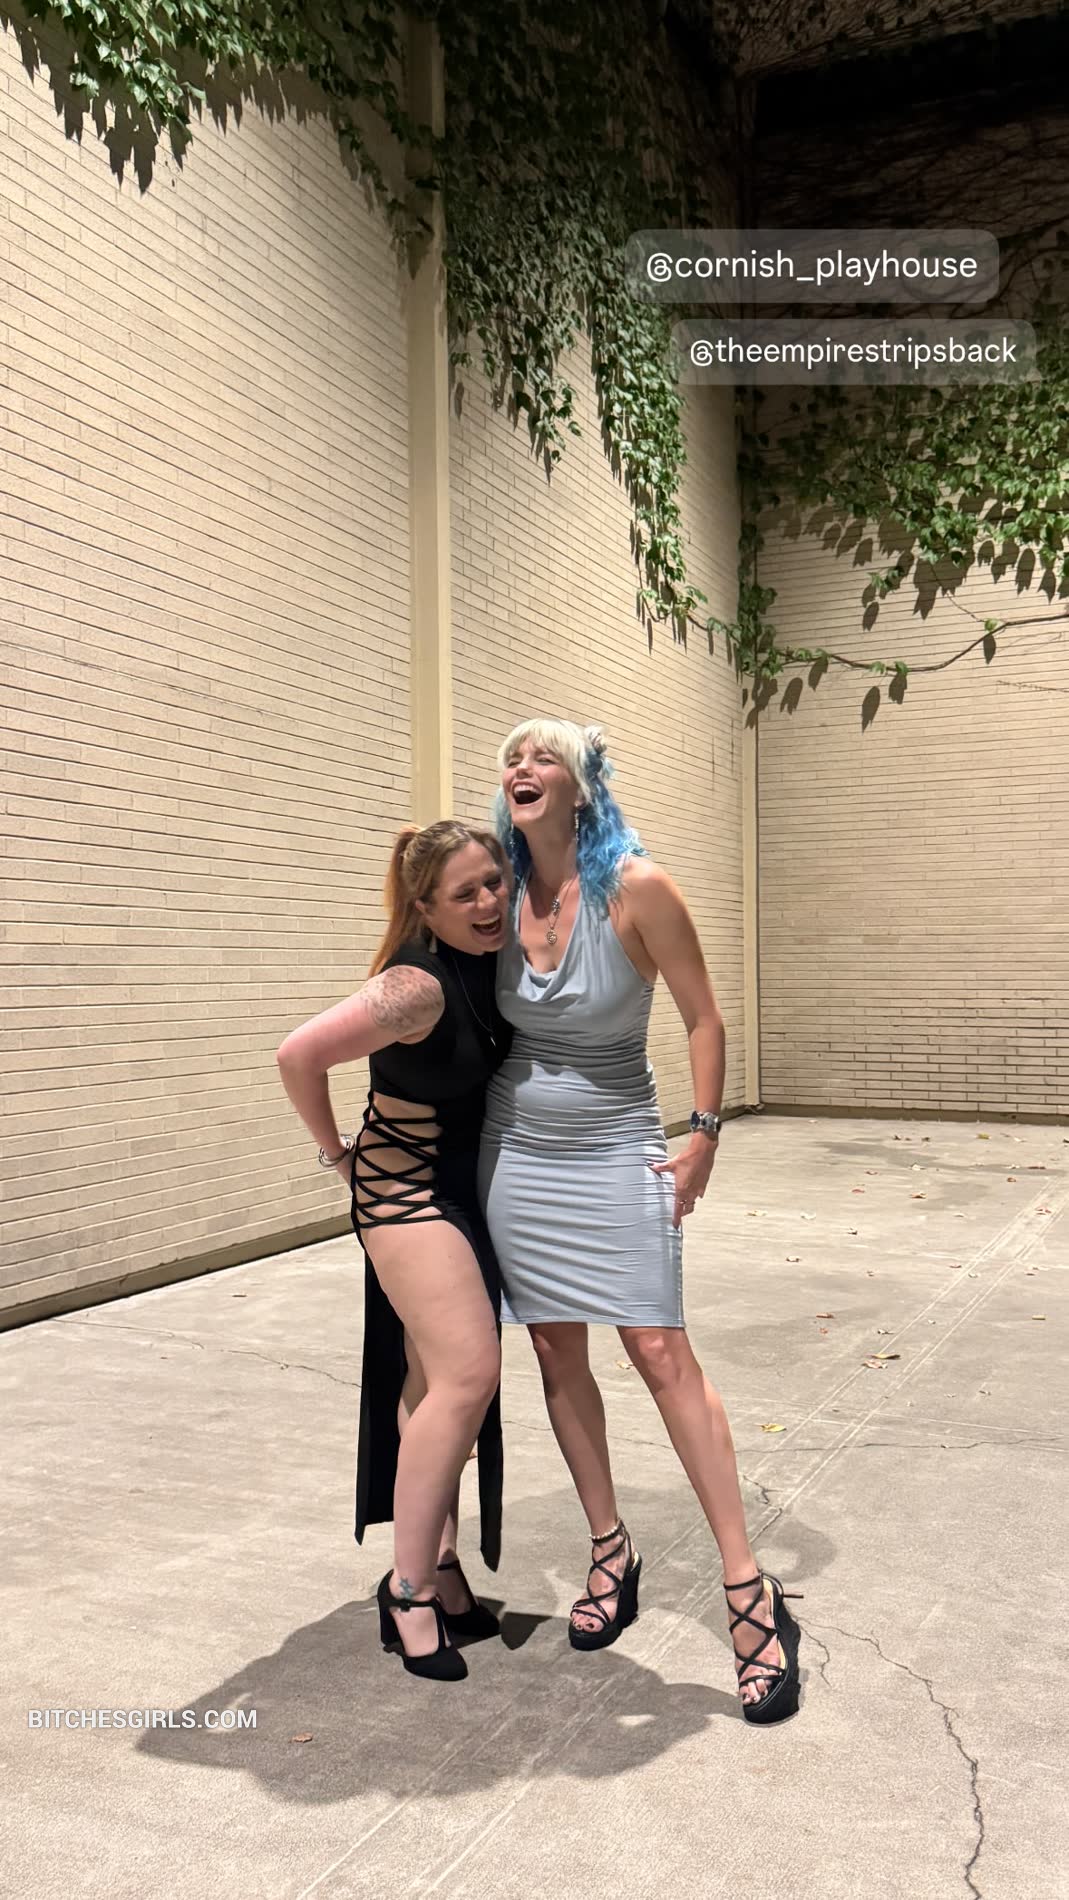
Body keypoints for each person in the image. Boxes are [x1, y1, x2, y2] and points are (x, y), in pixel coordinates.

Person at [477, 720, 803, 1724]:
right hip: (516, 1150)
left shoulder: (638, 889)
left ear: (582, 787)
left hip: (620, 1142)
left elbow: (704, 1017)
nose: (523, 768)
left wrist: (702, 1133)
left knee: (659, 1351)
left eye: (544, 757)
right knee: (555, 1351)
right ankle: (609, 1548)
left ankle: (748, 1588)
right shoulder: (495, 890)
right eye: (513, 758)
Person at [276, 820, 514, 1683]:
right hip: (404, 1193)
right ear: (424, 907)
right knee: (467, 1376)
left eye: (494, 881)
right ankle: (407, 1590)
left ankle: (438, 1564)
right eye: (464, 893)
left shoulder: (489, 962)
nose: (488, 902)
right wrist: (336, 1154)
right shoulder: (414, 986)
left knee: (430, 1382)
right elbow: (298, 1055)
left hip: (458, 1190)